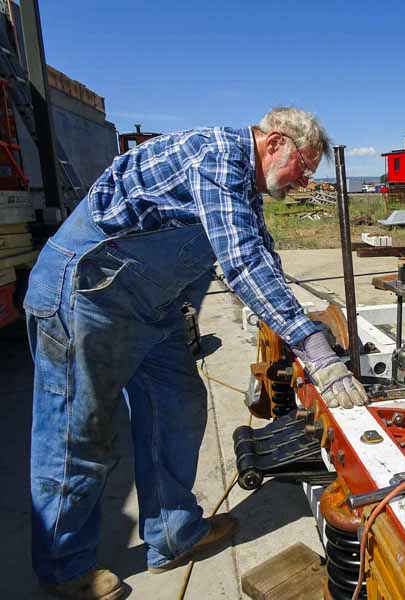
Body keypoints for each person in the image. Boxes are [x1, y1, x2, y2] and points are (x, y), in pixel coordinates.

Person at [24, 107, 368, 599]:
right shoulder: (216, 156)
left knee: (178, 407)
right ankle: (64, 568)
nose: (305, 180)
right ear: (274, 143)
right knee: (78, 434)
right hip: (89, 295)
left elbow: (260, 251)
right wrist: (316, 352)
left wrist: (303, 319)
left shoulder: (242, 189)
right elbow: (241, 261)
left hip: (152, 308)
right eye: (304, 166)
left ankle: (172, 535)